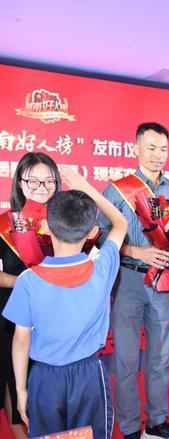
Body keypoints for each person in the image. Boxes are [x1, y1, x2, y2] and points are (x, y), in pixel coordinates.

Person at [3, 167, 128, 438]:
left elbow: (21, 340)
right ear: (93, 231)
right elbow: (120, 223)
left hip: (44, 380)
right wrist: (86, 187)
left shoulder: (28, 281)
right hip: (89, 376)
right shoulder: (102, 267)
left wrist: (21, 390)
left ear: (46, 226)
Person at [99, 122, 169, 439]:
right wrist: (135, 251)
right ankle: (129, 427)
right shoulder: (116, 190)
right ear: (136, 148)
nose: (157, 155)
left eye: (163, 148)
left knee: (161, 356)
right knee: (126, 358)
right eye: (150, 148)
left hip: (165, 282)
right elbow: (100, 237)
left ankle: (157, 421)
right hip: (128, 281)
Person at [0, 152, 61, 439]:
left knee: (54, 395)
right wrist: (28, 283)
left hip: (56, 322)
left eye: (48, 180)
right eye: (33, 181)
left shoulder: (66, 224)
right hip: (12, 321)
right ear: (19, 183)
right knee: (17, 386)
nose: (41, 187)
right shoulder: (3, 225)